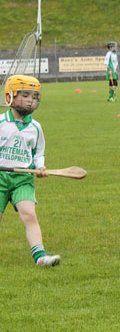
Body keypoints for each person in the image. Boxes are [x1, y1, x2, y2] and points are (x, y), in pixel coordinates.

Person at [0, 75, 60, 267]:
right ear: (10, 96)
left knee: (29, 214)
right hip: (0, 176)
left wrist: (40, 166)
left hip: (23, 177)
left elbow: (38, 152)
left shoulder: (35, 127)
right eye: (25, 95)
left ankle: (40, 256)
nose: (29, 100)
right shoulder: (1, 122)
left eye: (33, 96)